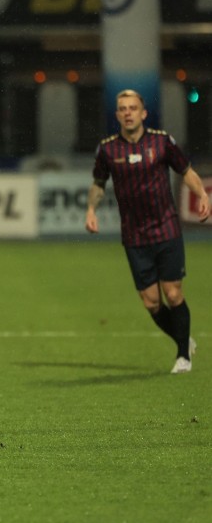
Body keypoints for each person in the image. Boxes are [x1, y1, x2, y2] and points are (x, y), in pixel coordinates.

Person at [86, 89, 210, 374]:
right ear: (117, 115)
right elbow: (98, 184)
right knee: (151, 302)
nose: (127, 112)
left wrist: (202, 194)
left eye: (132, 107)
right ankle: (184, 338)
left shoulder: (162, 142)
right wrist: (91, 210)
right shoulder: (107, 149)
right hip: (134, 235)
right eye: (122, 108)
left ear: (143, 113)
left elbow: (186, 171)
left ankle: (183, 356)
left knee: (173, 293)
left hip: (166, 228)